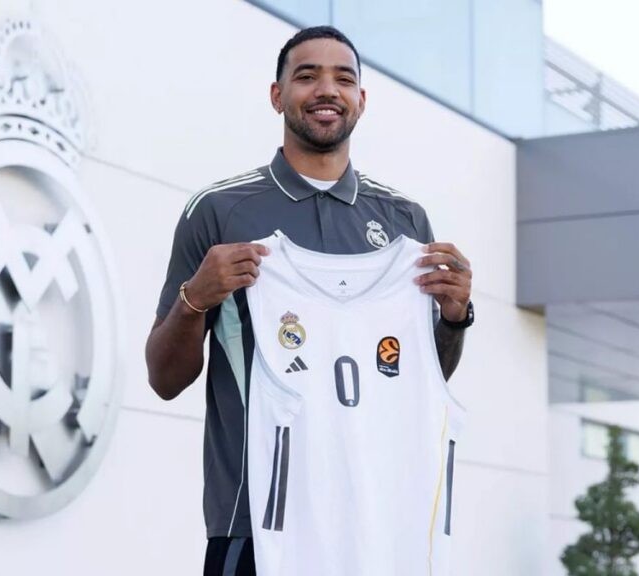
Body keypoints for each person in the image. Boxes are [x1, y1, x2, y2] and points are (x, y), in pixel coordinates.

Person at [145, 26, 474, 575]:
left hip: (378, 525)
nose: (327, 90)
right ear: (277, 95)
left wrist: (455, 318)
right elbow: (163, 379)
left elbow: (416, 375)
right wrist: (194, 300)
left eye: (343, 79)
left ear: (361, 100)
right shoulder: (220, 212)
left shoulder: (405, 223)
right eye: (307, 76)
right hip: (254, 523)